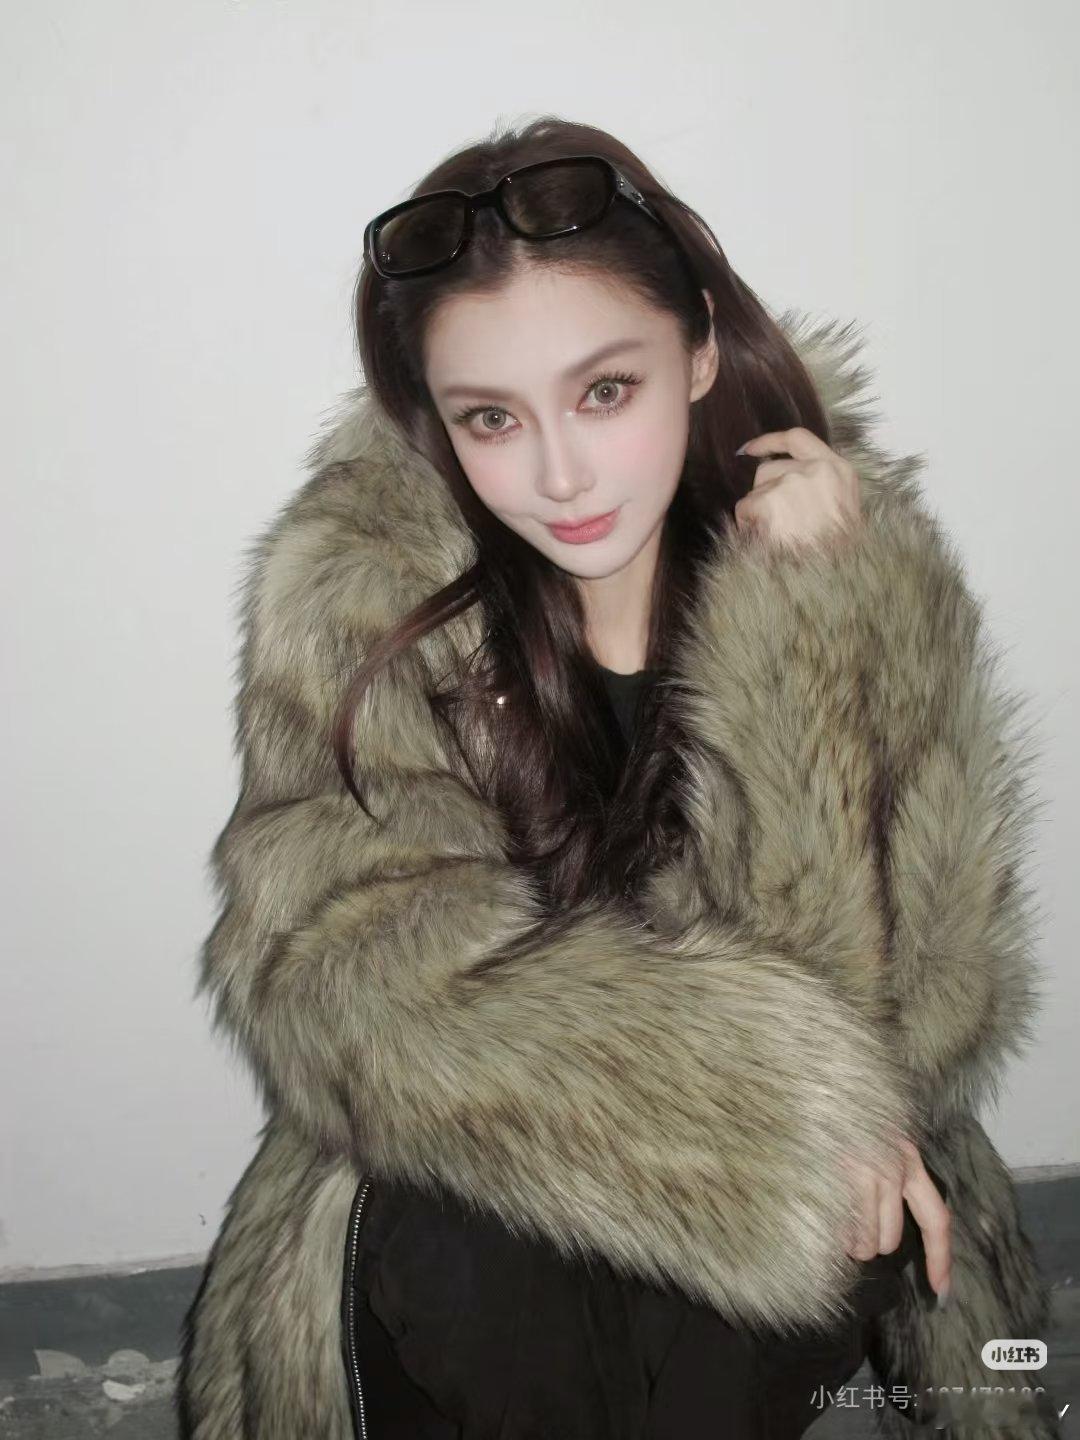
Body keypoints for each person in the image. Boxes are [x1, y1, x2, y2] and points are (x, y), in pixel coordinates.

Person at [176, 116, 1060, 1439]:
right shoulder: (371, 602)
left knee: (817, 1221)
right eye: (491, 418)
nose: (559, 474)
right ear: (436, 425)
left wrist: (819, 622)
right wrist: (755, 1108)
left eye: (605, 392)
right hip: (464, 1172)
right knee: (488, 1250)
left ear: (699, 353)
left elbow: (925, 995)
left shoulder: (838, 572)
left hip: (777, 1196)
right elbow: (349, 979)